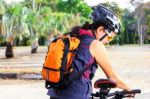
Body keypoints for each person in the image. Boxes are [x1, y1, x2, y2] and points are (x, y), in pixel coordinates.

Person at [47, 5, 132, 99]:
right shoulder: (95, 45)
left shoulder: (73, 37)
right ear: (100, 30)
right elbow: (113, 78)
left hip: (55, 94)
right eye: (110, 37)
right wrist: (129, 89)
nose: (108, 41)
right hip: (76, 96)